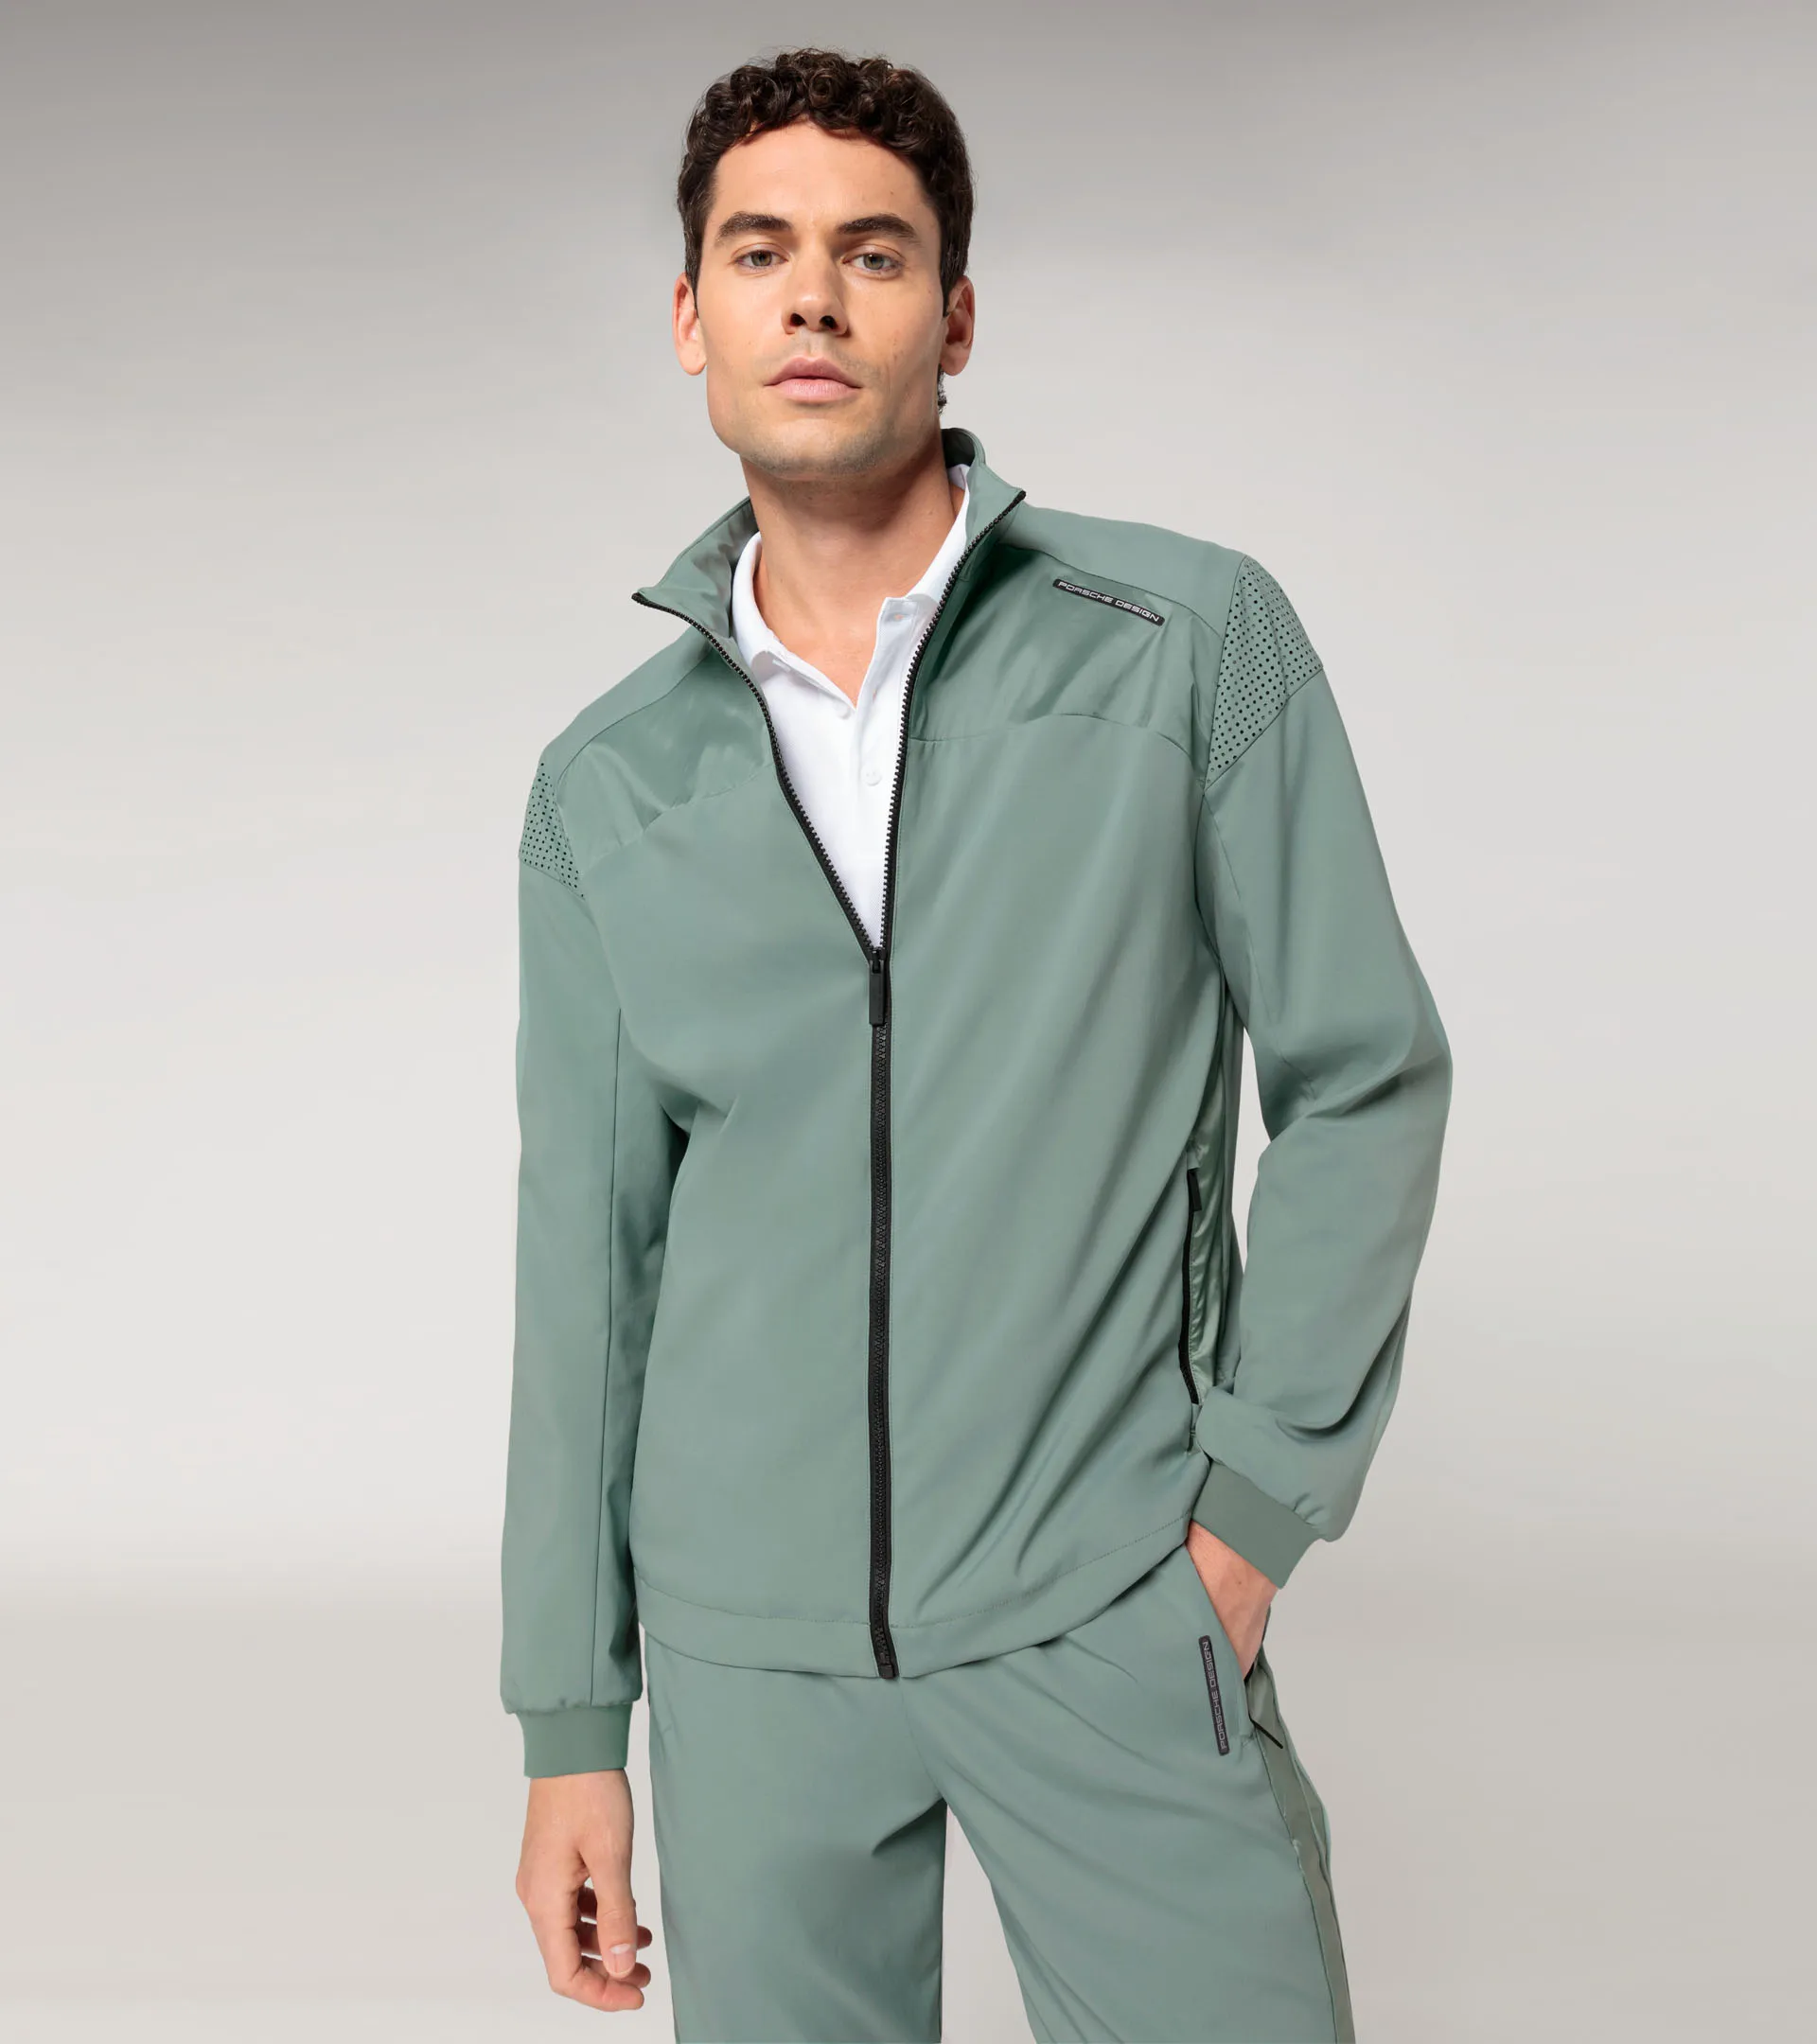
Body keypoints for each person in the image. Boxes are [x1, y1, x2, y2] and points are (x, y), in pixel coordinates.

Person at [501, 45, 1451, 2044]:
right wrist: (572, 1721)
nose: (813, 297)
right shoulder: (608, 787)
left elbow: (1363, 1075)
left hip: (1104, 1597)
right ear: (690, 316)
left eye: (874, 253)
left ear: (954, 314)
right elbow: (591, 1270)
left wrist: (1249, 1520)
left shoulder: (1182, 646)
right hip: (751, 1660)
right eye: (760, 252)